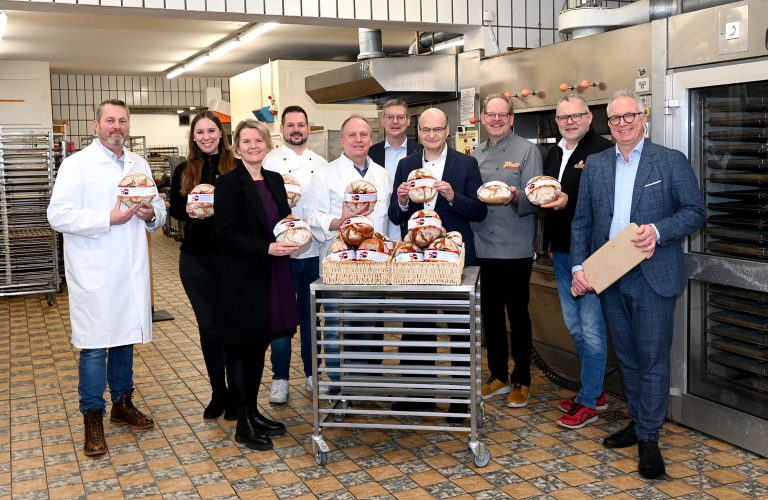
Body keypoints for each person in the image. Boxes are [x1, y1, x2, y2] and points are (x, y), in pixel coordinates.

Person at [571, 90, 705, 479]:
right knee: (627, 357)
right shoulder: (595, 165)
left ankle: (649, 437)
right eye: (615, 119)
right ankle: (638, 421)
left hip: (653, 277)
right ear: (608, 125)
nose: (623, 123)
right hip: (610, 277)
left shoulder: (669, 160)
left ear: (643, 117)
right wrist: (581, 267)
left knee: (652, 360)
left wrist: (660, 230)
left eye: (630, 116)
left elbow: (695, 211)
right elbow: (582, 221)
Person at [47, 99, 167, 457]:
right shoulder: (76, 165)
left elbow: (159, 212)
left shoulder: (139, 163)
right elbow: (58, 215)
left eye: (123, 121)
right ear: (96, 126)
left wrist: (149, 214)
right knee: (96, 346)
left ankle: (122, 404)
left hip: (130, 270)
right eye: (110, 121)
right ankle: (92, 415)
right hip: (94, 270)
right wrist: (107, 218)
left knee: (125, 338)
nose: (117, 126)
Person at [388, 107, 487, 418]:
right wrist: (403, 198)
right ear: (419, 133)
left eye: (437, 129)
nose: (431, 135)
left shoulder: (466, 164)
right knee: (417, 327)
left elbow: (480, 211)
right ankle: (418, 393)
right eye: (426, 130)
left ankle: (461, 399)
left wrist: (452, 196)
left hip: (455, 259)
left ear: (448, 131)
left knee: (460, 330)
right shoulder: (407, 165)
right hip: (417, 258)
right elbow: (395, 214)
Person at [215, 119, 300, 451]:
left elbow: (281, 222)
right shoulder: (227, 184)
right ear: (237, 147)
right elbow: (226, 235)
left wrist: (294, 232)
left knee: (260, 345)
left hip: (272, 273)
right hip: (242, 278)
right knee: (241, 348)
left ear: (267, 145)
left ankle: (252, 410)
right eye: (246, 141)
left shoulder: (276, 181)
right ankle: (243, 421)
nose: (253, 146)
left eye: (258, 141)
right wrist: (265, 247)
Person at [541, 95, 613, 429]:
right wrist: (549, 244)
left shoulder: (601, 151)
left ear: (589, 117)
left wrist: (569, 201)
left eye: (576, 116)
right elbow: (545, 200)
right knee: (575, 327)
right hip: (562, 251)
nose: (569, 122)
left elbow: (604, 204)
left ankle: (589, 400)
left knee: (592, 330)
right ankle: (592, 391)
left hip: (592, 255)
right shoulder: (556, 152)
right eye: (563, 117)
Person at [307, 115, 392, 392]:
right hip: (338, 265)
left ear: (371, 139)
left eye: (364, 135)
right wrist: (339, 220)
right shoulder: (324, 174)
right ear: (342, 140)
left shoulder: (382, 174)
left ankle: (362, 384)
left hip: (374, 265)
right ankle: (337, 386)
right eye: (352, 135)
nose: (359, 140)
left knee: (368, 327)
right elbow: (312, 217)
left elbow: (388, 222)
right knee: (335, 327)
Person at [473, 93, 543, 408]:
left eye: (503, 115)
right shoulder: (475, 155)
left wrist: (514, 197)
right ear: (483, 118)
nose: (497, 119)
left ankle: (522, 379)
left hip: (515, 250)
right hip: (483, 248)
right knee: (491, 316)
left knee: (518, 316)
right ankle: (498, 375)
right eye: (491, 114)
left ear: (511, 118)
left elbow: (537, 198)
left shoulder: (527, 151)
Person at [169, 111, 236, 420]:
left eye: (212, 130)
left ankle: (237, 393)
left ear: (220, 134)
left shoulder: (235, 167)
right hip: (195, 261)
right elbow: (177, 211)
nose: (207, 136)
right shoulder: (184, 169)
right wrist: (192, 210)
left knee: (233, 328)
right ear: (193, 137)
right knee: (209, 328)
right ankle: (217, 393)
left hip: (232, 260)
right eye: (201, 132)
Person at [263, 105, 328, 402]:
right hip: (281, 255)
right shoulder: (269, 162)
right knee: (281, 320)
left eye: (301, 124)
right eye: (290, 125)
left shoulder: (322, 163)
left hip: (314, 251)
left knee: (311, 318)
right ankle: (280, 378)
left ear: (309, 127)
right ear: (282, 129)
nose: (296, 130)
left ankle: (313, 374)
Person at [369, 98, 423, 241]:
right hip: (378, 224)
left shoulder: (421, 152)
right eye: (390, 117)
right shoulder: (370, 154)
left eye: (400, 117)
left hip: (410, 224)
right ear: (383, 121)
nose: (395, 122)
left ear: (408, 121)